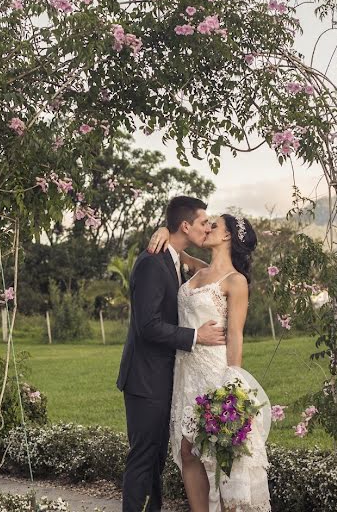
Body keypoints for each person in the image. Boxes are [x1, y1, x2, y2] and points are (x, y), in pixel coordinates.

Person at [149, 214, 271, 512]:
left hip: (214, 373)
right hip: (185, 371)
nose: (206, 228)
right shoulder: (197, 270)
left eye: (213, 225)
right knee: (186, 450)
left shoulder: (235, 281)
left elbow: (236, 336)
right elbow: (175, 247)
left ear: (228, 236)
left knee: (216, 452)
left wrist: (232, 386)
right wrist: (165, 228)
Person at [117, 196, 226, 512]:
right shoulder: (152, 263)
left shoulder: (175, 260)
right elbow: (147, 325)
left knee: (154, 461)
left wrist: (171, 238)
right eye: (203, 222)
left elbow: (214, 270)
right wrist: (196, 336)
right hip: (145, 380)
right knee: (143, 459)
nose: (208, 227)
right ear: (185, 225)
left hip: (164, 379)